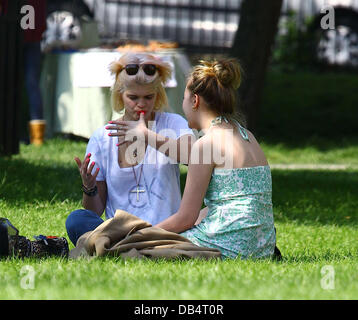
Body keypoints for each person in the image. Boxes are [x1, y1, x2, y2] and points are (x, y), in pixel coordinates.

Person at [66, 52, 195, 246]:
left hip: (164, 231)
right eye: (133, 97)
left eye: (148, 97)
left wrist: (147, 135)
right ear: (120, 95)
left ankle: (122, 247)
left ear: (158, 95)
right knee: (77, 219)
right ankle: (125, 245)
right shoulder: (103, 137)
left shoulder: (173, 123)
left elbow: (193, 156)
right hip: (119, 232)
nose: (141, 104)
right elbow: (94, 211)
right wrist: (89, 187)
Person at [155, 58, 278, 260]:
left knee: (142, 248)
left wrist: (143, 233)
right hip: (262, 247)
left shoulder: (206, 145)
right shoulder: (247, 135)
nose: (182, 104)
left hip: (229, 246)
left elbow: (185, 218)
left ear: (195, 101)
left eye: (184, 98)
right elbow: (229, 203)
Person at [23, 0, 47, 145]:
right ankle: (37, 138)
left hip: (18, 36)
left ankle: (35, 137)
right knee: (32, 85)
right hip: (33, 37)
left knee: (30, 85)